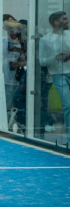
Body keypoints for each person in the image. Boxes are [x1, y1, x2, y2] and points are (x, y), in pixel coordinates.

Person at [39, 11, 70, 147]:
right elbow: (42, 61)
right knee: (68, 105)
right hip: (58, 74)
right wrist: (55, 57)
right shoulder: (45, 39)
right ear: (55, 22)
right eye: (64, 18)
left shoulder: (69, 35)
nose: (67, 20)